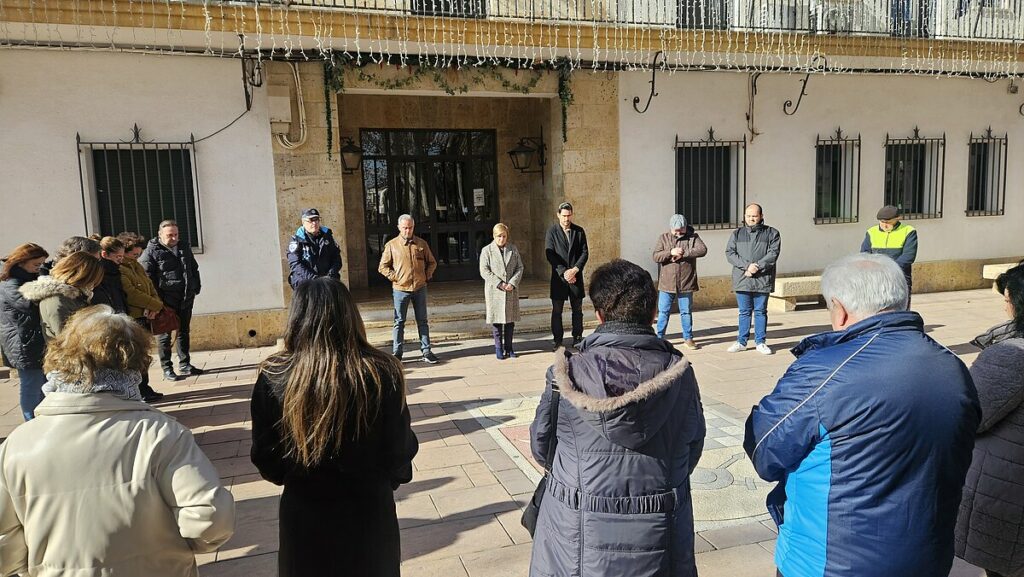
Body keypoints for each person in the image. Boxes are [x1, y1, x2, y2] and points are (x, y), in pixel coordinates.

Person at [743, 253, 980, 577]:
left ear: (839, 310)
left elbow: (765, 449)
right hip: (928, 558)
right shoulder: (952, 368)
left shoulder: (823, 372)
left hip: (829, 564)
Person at [0, 305, 235, 576]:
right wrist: (174, 552)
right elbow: (210, 518)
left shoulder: (17, 445)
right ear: (135, 364)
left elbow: (5, 544)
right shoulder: (161, 434)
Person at [528, 259, 705, 577]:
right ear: (653, 313)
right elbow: (691, 446)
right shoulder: (680, 375)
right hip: (659, 529)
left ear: (598, 314)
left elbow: (542, 446)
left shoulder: (565, 374)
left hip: (576, 528)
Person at [250, 277, 418, 577]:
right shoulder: (382, 371)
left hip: (305, 515)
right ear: (350, 315)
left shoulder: (275, 374)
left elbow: (267, 458)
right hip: (368, 513)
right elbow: (399, 452)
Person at [955, 263, 1024, 577]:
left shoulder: (1010, 356)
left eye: (1007, 299)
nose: (1004, 306)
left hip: (1007, 494)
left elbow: (970, 414)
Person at [140, 220, 204, 381]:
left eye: (176, 234)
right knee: (164, 336)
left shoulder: (183, 246)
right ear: (160, 235)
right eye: (170, 235)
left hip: (185, 297)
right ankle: (167, 368)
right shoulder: (151, 252)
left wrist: (195, 287)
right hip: (165, 301)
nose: (174, 238)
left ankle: (185, 364)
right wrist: (157, 301)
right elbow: (148, 279)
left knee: (183, 331)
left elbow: (193, 268)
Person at [377, 214, 439, 364]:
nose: (407, 230)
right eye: (405, 228)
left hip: (419, 287)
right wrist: (395, 277)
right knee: (399, 321)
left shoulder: (421, 244)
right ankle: (397, 352)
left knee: (422, 320)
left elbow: (432, 262)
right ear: (399, 227)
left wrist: (426, 275)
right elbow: (382, 267)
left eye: (410, 227)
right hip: (400, 289)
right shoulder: (391, 245)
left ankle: (426, 350)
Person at [0, 243, 50, 420]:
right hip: (23, 342)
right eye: (36, 264)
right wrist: (45, 284)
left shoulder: (29, 278)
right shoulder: (10, 282)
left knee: (43, 384)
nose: (39, 268)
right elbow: (28, 304)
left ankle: (41, 420)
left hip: (34, 339)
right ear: (22, 261)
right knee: (31, 385)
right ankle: (30, 421)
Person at [725, 203, 781, 355]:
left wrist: (757, 266)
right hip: (743, 278)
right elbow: (730, 253)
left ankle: (760, 342)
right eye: (748, 216)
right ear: (744, 217)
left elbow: (773, 254)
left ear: (761, 216)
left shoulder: (772, 233)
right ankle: (741, 341)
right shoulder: (737, 234)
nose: (751, 219)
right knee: (744, 312)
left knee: (760, 311)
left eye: (754, 216)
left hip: (762, 279)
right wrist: (747, 266)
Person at [118, 231, 166, 402]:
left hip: (146, 315)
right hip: (135, 317)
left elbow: (149, 286)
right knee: (136, 356)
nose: (136, 257)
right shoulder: (121, 269)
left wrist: (156, 304)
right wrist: (156, 305)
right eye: (133, 254)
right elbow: (132, 294)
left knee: (144, 355)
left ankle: (145, 386)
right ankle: (140, 388)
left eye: (139, 254)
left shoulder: (136, 266)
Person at [20, 251, 104, 341]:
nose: (93, 285)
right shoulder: (58, 300)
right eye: (92, 280)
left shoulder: (75, 295)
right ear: (82, 276)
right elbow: (66, 340)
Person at [652, 213, 707, 349]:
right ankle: (659, 338)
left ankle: (688, 338)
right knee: (663, 311)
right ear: (670, 228)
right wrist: (671, 252)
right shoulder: (663, 238)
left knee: (686, 312)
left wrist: (684, 253)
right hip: (667, 283)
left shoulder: (693, 237)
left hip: (686, 282)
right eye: (675, 230)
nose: (678, 232)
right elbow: (656, 256)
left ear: (685, 227)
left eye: (680, 229)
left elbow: (702, 250)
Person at [545, 202, 589, 351]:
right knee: (557, 311)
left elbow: (584, 253)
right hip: (559, 279)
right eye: (563, 216)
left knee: (577, 310)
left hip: (576, 278)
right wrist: (564, 272)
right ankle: (557, 340)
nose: (566, 219)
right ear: (558, 215)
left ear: (572, 214)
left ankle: (577, 337)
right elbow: (549, 253)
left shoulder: (579, 231)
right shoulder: (552, 232)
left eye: (568, 215)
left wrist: (575, 270)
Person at [479, 223, 525, 360]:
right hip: (495, 291)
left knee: (510, 321)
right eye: (499, 236)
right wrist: (499, 283)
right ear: (494, 236)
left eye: (504, 236)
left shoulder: (513, 249)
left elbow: (520, 267)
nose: (501, 239)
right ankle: (498, 348)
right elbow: (484, 270)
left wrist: (512, 283)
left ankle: (509, 347)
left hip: (510, 290)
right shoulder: (487, 251)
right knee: (497, 321)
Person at [861, 204, 918, 306]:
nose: (884, 225)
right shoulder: (871, 232)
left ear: (898, 219)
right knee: (876, 306)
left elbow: (908, 256)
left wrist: (891, 270)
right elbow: (865, 254)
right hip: (876, 276)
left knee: (900, 305)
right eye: (882, 222)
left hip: (900, 275)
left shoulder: (908, 231)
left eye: (888, 222)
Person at [287, 208, 343, 289]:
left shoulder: (327, 236)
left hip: (327, 280)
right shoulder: (296, 240)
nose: (314, 223)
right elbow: (295, 264)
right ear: (303, 222)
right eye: (310, 220)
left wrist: (330, 274)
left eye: (316, 220)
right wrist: (314, 279)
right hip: (305, 281)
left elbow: (336, 258)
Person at [90, 236, 128, 314]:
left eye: (122, 256)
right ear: (104, 254)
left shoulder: (115, 271)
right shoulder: (100, 272)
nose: (121, 260)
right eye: (118, 256)